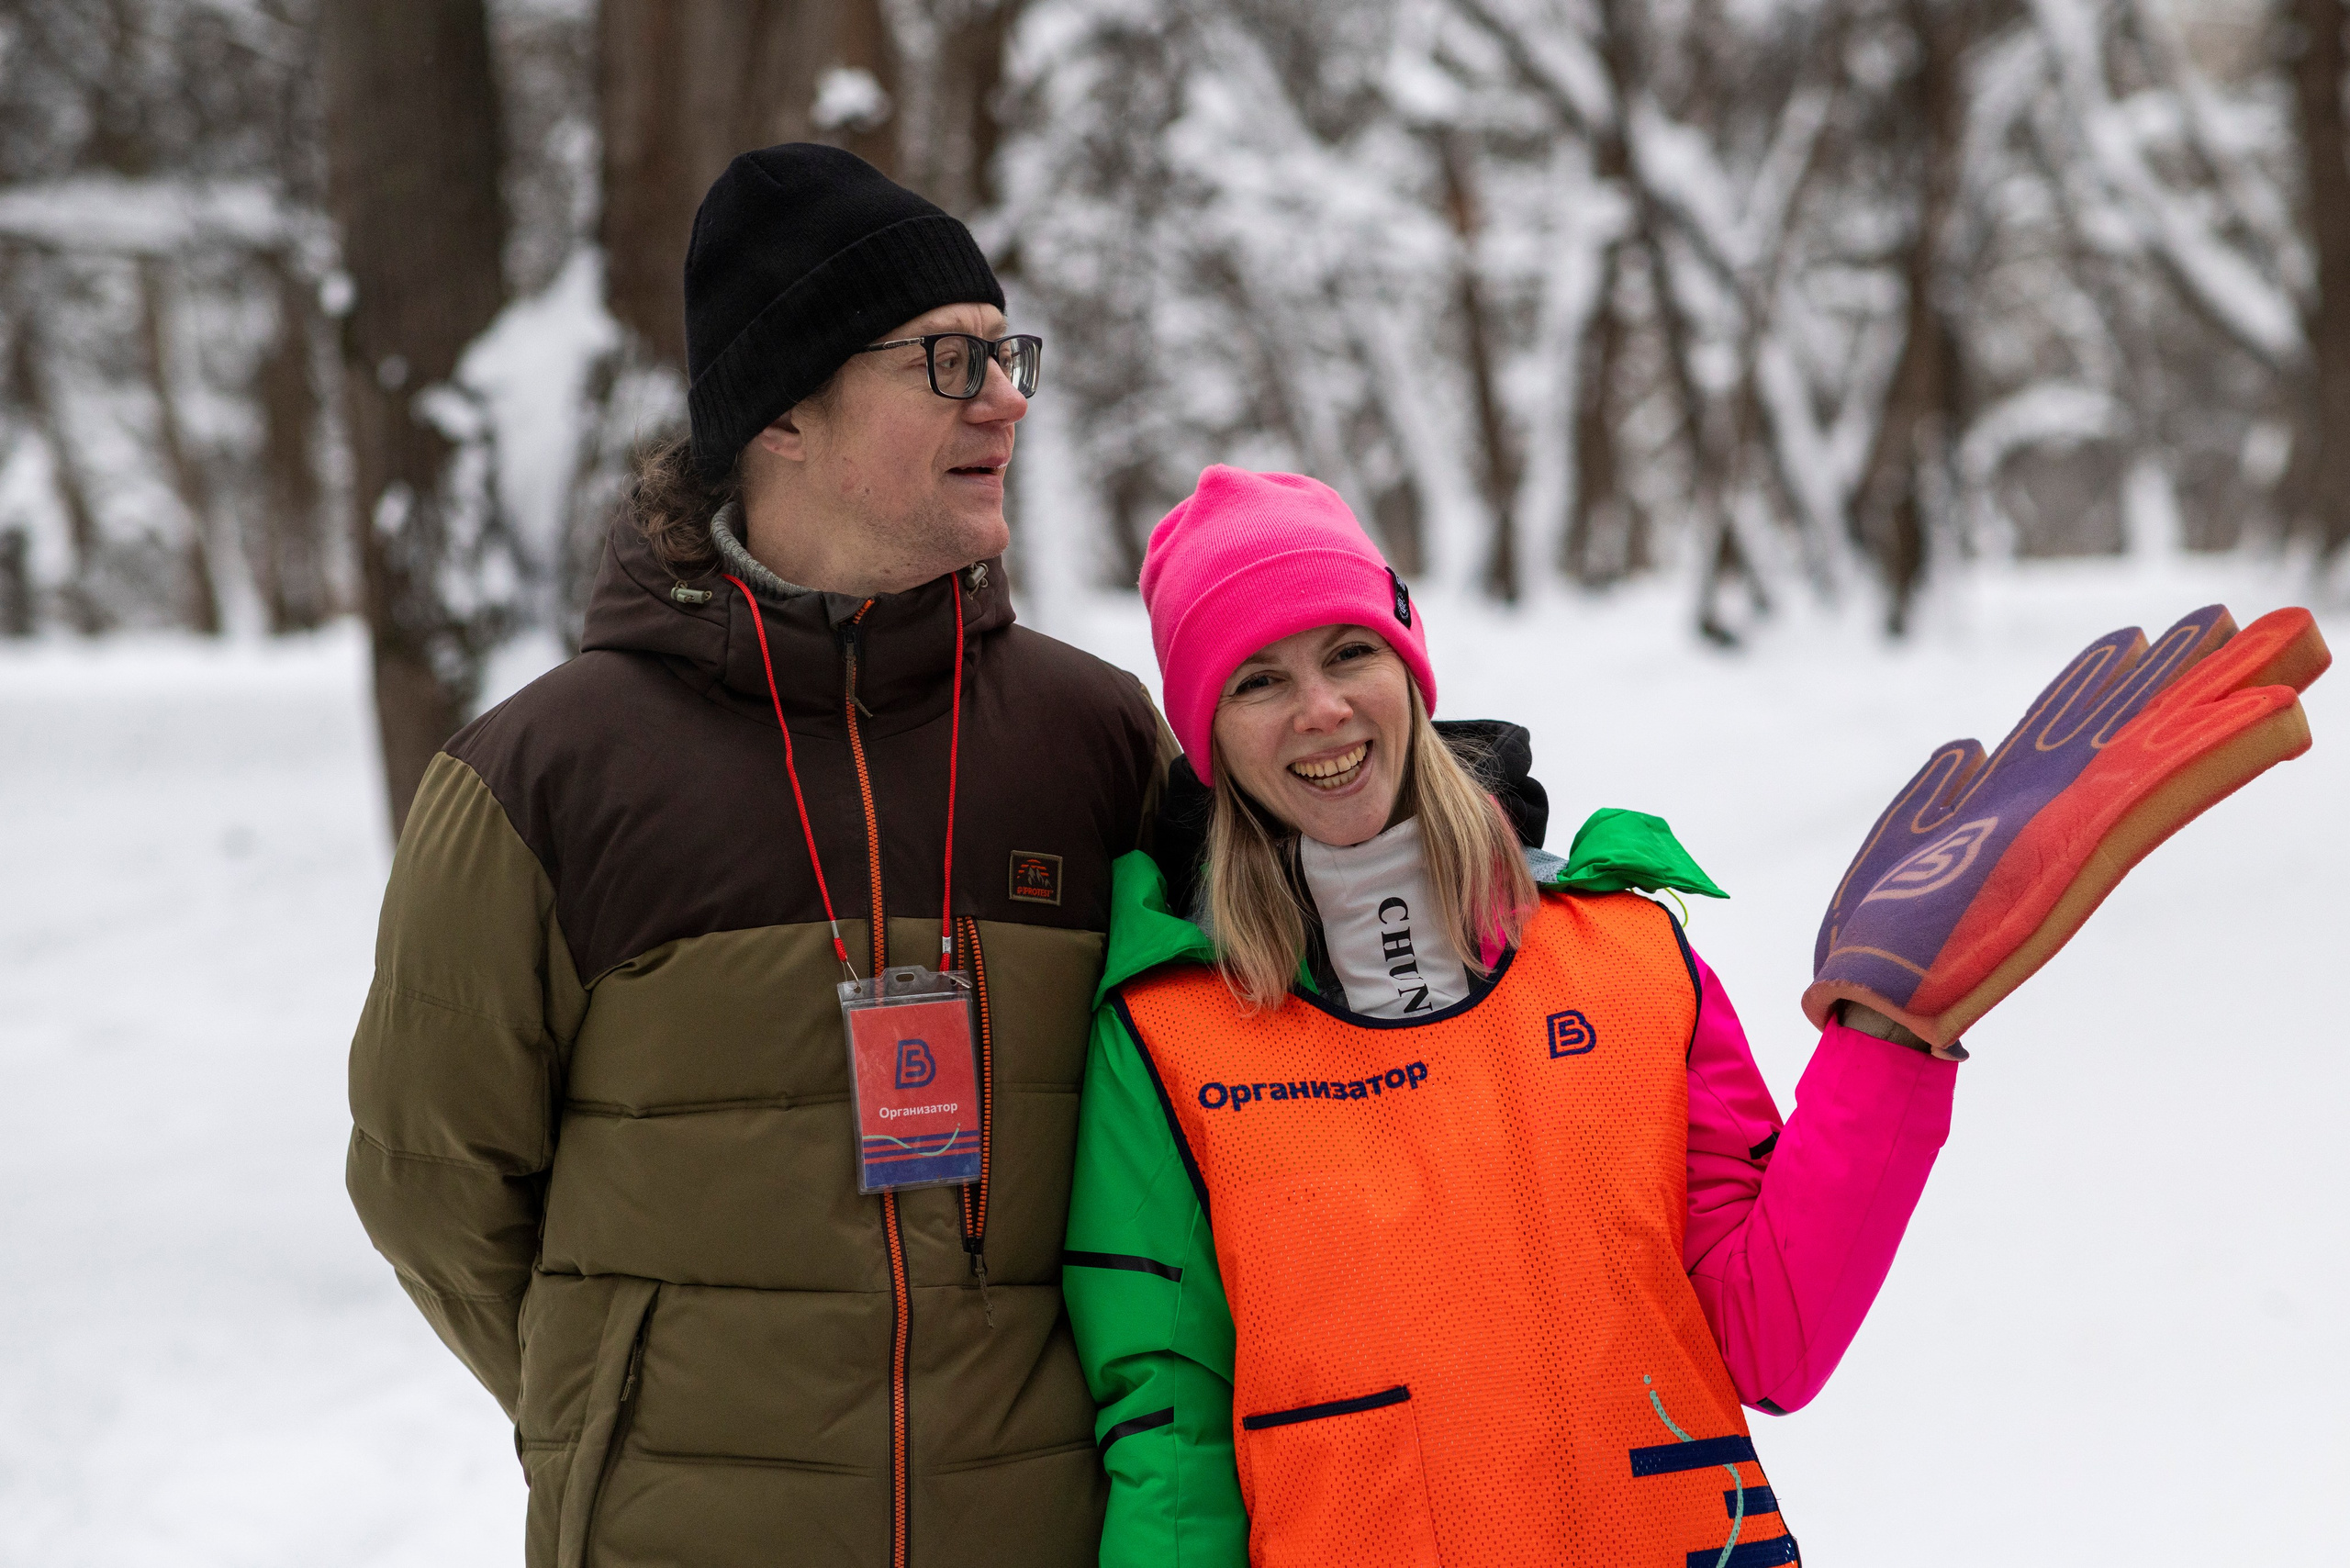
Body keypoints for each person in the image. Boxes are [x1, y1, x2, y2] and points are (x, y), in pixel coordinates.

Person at [1061, 465, 2328, 1567]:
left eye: (1349, 654)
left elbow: (1769, 1337)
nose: (1322, 711)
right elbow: (1170, 1437)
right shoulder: (1172, 1040)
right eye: (1258, 681)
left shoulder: (1626, 960)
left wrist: (1887, 1048)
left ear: (1408, 664)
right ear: (1208, 733)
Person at [345, 144, 1172, 1567]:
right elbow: (431, 1176)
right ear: (785, 411)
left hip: (1046, 1529)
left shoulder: (1092, 739)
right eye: (949, 364)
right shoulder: (539, 777)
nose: (1009, 402)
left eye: (1007, 355)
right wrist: (616, 1407)